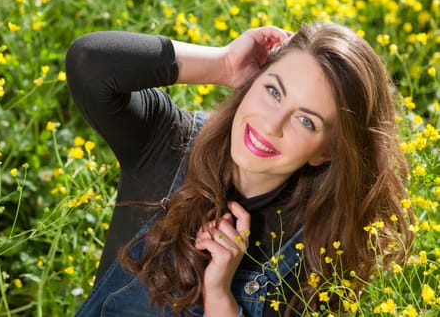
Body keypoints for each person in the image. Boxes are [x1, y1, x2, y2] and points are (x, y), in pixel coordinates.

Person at [65, 22, 414, 316]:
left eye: (306, 120)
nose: (270, 124)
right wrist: (225, 64)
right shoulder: (167, 143)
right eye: (273, 91)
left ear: (328, 153)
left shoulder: (319, 242)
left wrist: (220, 295)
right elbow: (89, 63)